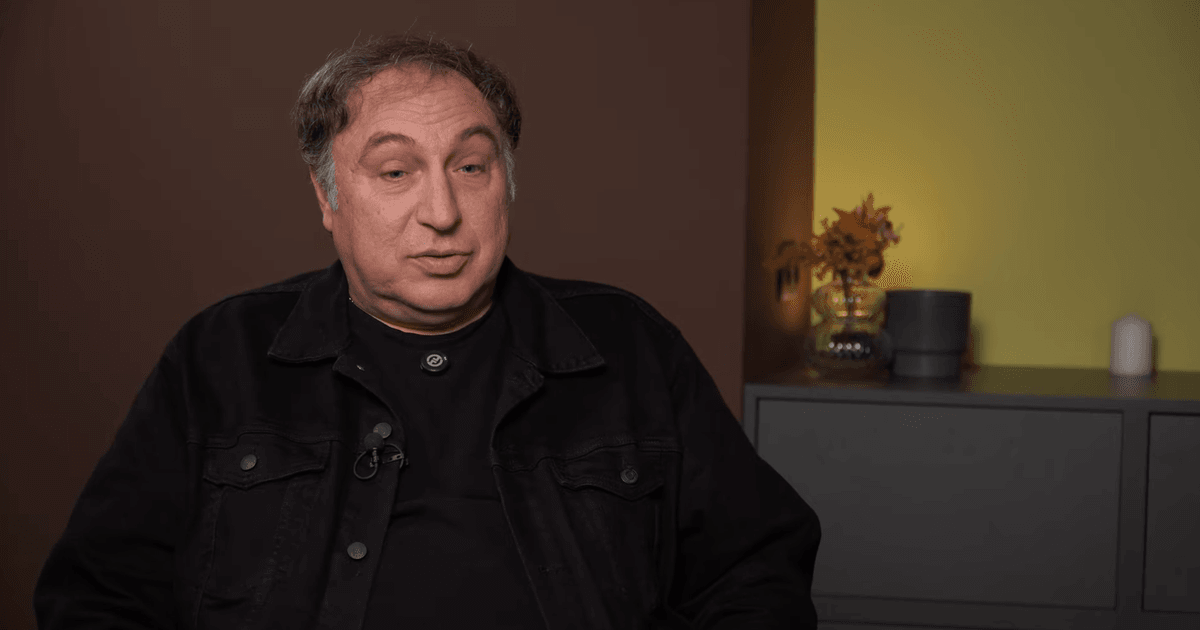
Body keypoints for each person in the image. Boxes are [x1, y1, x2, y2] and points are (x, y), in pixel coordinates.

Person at [34, 34, 821, 629]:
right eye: (395, 172)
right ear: (327, 197)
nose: (442, 213)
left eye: (471, 167)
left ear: (506, 184)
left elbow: (756, 572)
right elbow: (97, 593)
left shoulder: (629, 347)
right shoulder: (221, 356)